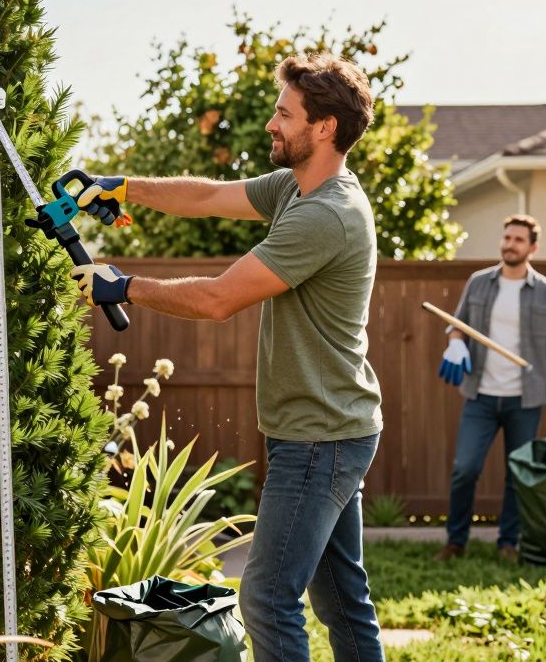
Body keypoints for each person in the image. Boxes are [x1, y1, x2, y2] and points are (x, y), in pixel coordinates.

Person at [70, 52, 384, 662]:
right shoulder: (297, 188)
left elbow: (219, 299)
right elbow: (209, 196)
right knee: (343, 601)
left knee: (266, 598)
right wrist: (119, 186)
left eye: (284, 114)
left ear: (324, 128)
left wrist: (124, 286)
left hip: (319, 436)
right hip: (331, 427)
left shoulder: (326, 215)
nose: (271, 123)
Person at [432, 215, 546, 563]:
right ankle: (455, 542)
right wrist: (455, 343)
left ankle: (508, 543)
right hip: (480, 395)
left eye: (519, 240)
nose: (510, 244)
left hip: (525, 399)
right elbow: (457, 325)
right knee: (465, 469)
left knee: (517, 474)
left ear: (533, 248)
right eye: (507, 237)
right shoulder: (479, 283)